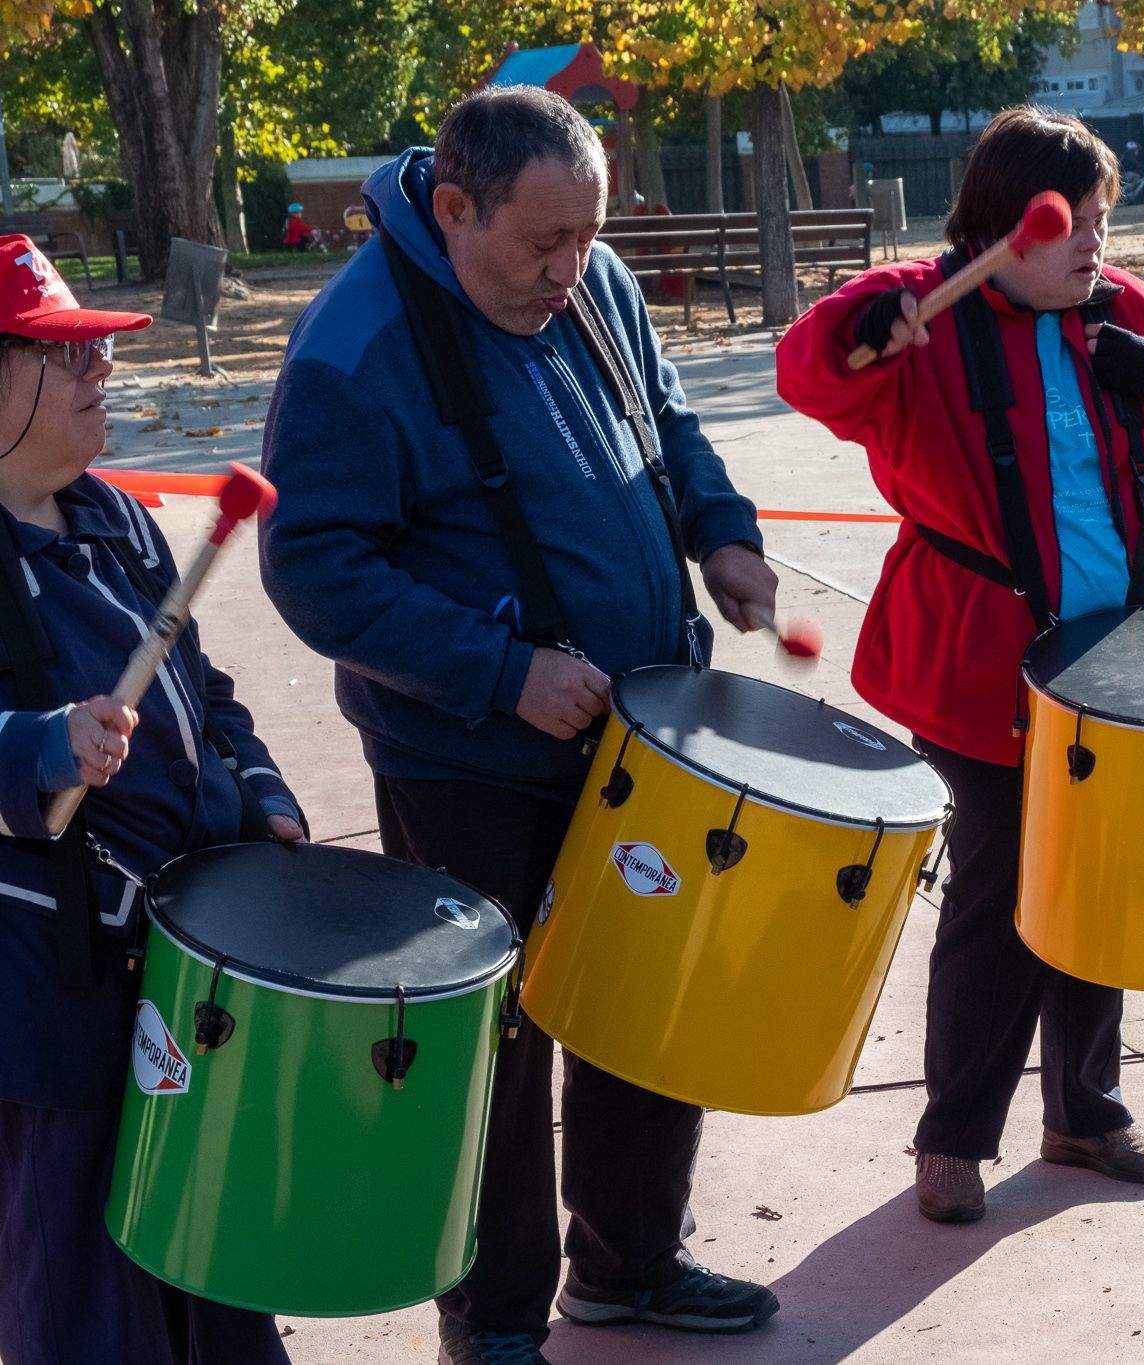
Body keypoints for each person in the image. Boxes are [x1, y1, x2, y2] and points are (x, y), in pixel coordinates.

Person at [259, 87, 780, 1365]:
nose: (572, 269)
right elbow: (315, 567)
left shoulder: (592, 282)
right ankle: (489, 1320)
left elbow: (666, 424)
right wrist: (499, 671)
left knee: (644, 1012)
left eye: (588, 236)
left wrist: (722, 531)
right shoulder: (353, 347)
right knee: (492, 1052)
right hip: (468, 762)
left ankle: (631, 1264)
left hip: (641, 733)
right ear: (452, 209)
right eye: (543, 243)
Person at [0, 235, 306, 1363]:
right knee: (83, 1305)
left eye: (96, 346)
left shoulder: (111, 515)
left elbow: (202, 685)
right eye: (60, 353)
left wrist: (259, 791)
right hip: (37, 984)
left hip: (189, 966)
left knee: (218, 1264)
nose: (101, 369)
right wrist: (28, 752)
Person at [775, 105, 1144, 1225]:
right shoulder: (922, 314)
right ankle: (951, 1138)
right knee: (994, 894)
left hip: (1120, 662)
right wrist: (862, 318)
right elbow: (809, 373)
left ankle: (1085, 1111)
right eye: (1067, 223)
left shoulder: (1122, 308)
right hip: (973, 663)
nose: (1091, 243)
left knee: (1100, 889)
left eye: (1099, 220)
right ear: (1001, 228)